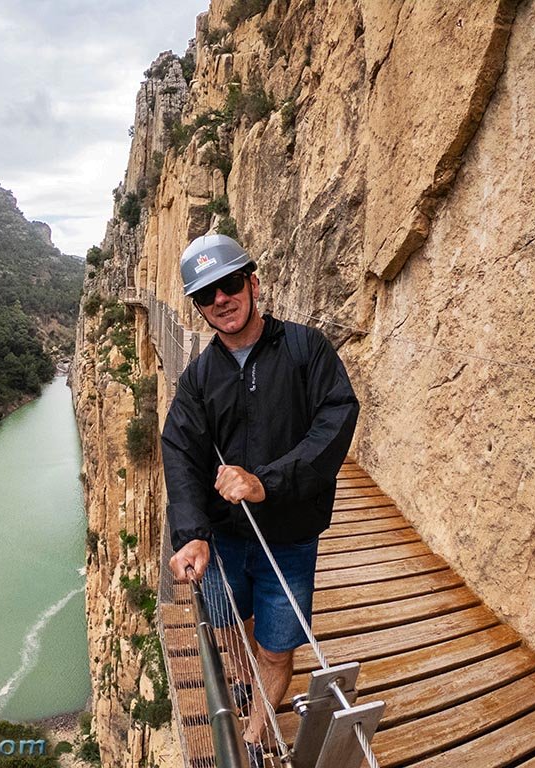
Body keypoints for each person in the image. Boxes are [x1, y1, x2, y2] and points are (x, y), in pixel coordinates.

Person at [161, 233, 359, 757]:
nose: (221, 299)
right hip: (225, 541)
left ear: (252, 282)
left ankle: (253, 738)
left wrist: (267, 481)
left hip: (289, 536)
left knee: (275, 647)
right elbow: (179, 451)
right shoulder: (199, 380)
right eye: (206, 294)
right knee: (237, 623)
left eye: (228, 284)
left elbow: (335, 421)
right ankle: (250, 682)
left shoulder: (305, 349)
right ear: (200, 308)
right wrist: (193, 534)